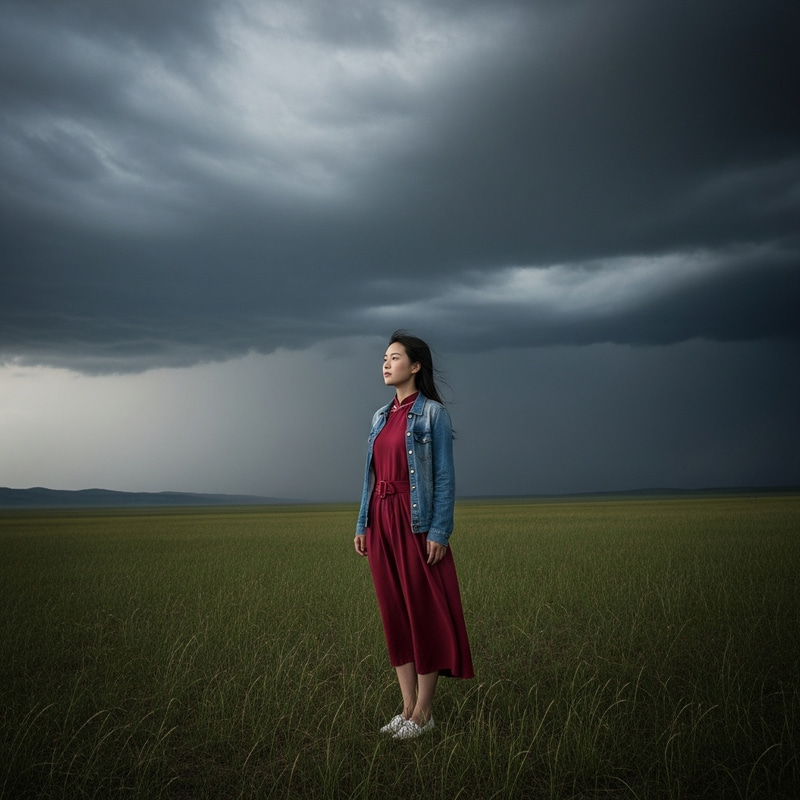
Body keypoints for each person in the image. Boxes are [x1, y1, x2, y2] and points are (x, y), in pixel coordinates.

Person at [354, 330, 474, 740]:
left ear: (416, 365)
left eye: (394, 357)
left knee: (421, 610)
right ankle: (406, 709)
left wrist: (439, 530)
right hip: (380, 519)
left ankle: (424, 713)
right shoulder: (379, 416)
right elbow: (370, 477)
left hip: (414, 520)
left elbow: (443, 477)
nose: (386, 364)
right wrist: (362, 525)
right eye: (384, 358)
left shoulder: (433, 415)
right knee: (394, 612)